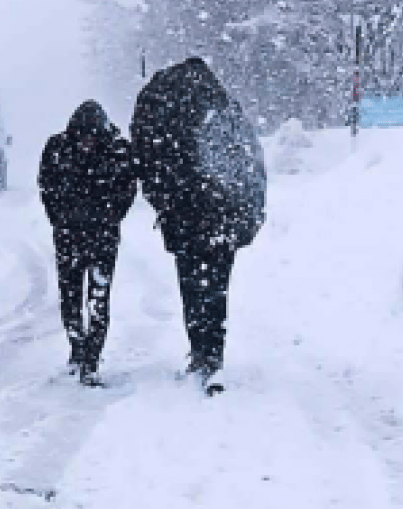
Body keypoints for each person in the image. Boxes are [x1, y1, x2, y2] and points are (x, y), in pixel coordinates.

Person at [131, 57, 266, 394]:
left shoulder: (165, 113)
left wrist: (165, 203)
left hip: (185, 220)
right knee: (217, 287)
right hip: (224, 219)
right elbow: (250, 164)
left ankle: (200, 350)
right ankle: (214, 354)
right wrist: (248, 213)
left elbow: (149, 164)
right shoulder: (224, 110)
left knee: (192, 287)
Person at [38, 100, 137, 387]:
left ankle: (91, 359)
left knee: (98, 299)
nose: (87, 143)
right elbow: (46, 186)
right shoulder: (58, 149)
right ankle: (77, 347)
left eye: (92, 137)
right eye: (82, 136)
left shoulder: (117, 152)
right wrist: (59, 218)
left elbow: (128, 188)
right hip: (70, 235)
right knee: (70, 298)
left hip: (100, 237)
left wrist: (111, 216)